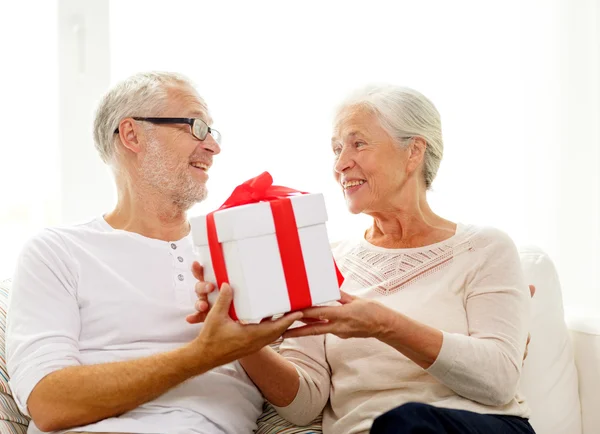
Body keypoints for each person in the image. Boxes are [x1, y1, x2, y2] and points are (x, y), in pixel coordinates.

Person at [192, 85, 536, 434]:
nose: (341, 164)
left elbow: (500, 380)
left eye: (358, 144)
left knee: (407, 424)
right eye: (337, 149)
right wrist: (239, 342)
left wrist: (385, 325)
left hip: (479, 427)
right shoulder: (323, 259)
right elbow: (304, 403)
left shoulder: (484, 248)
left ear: (413, 152)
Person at [6, 72, 302, 434]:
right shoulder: (57, 252)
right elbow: (49, 404)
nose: (213, 146)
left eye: (212, 132)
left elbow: (297, 402)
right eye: (196, 126)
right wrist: (202, 355)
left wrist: (243, 343)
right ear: (131, 135)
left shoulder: (239, 248)